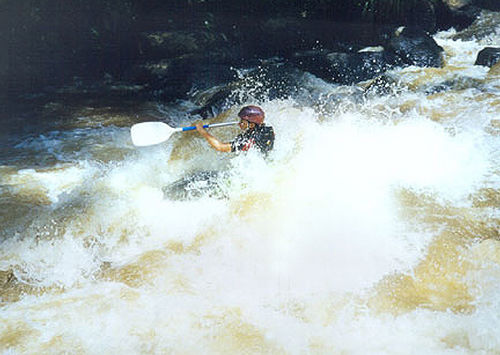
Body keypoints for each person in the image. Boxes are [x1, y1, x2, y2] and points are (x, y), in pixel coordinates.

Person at [194, 105, 275, 154]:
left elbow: (220, 147)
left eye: (242, 121)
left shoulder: (247, 140)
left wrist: (202, 131)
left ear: (251, 125)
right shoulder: (268, 129)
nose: (239, 123)